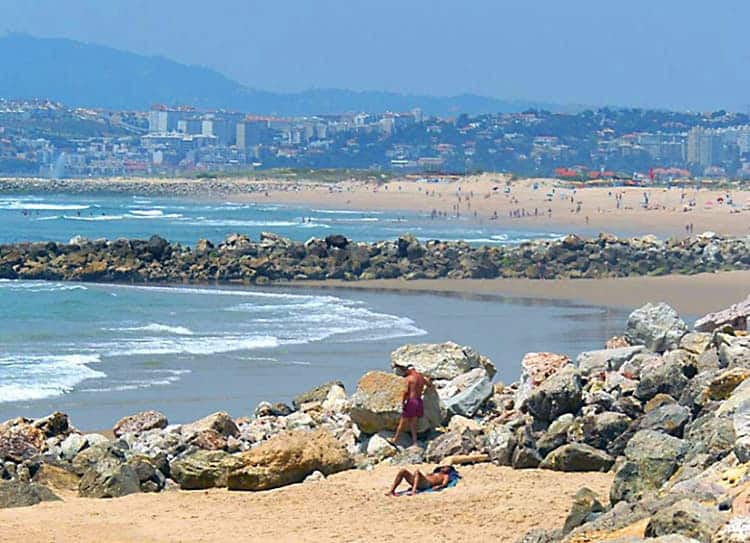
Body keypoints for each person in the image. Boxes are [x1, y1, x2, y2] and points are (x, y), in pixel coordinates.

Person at [391, 365, 430, 447]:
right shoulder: (421, 377)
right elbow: (428, 384)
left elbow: (406, 392)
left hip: (411, 401)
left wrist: (402, 403)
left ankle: (395, 439)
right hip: (419, 401)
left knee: (402, 422)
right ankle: (415, 442)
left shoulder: (409, 378)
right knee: (413, 423)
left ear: (409, 370)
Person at [385, 465, 458, 496]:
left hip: (426, 484)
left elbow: (444, 484)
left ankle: (413, 491)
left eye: (447, 467)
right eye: (443, 467)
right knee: (402, 471)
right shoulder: (435, 473)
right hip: (419, 482)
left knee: (417, 471)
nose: (444, 468)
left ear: (449, 470)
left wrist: (439, 486)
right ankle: (392, 490)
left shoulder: (445, 476)